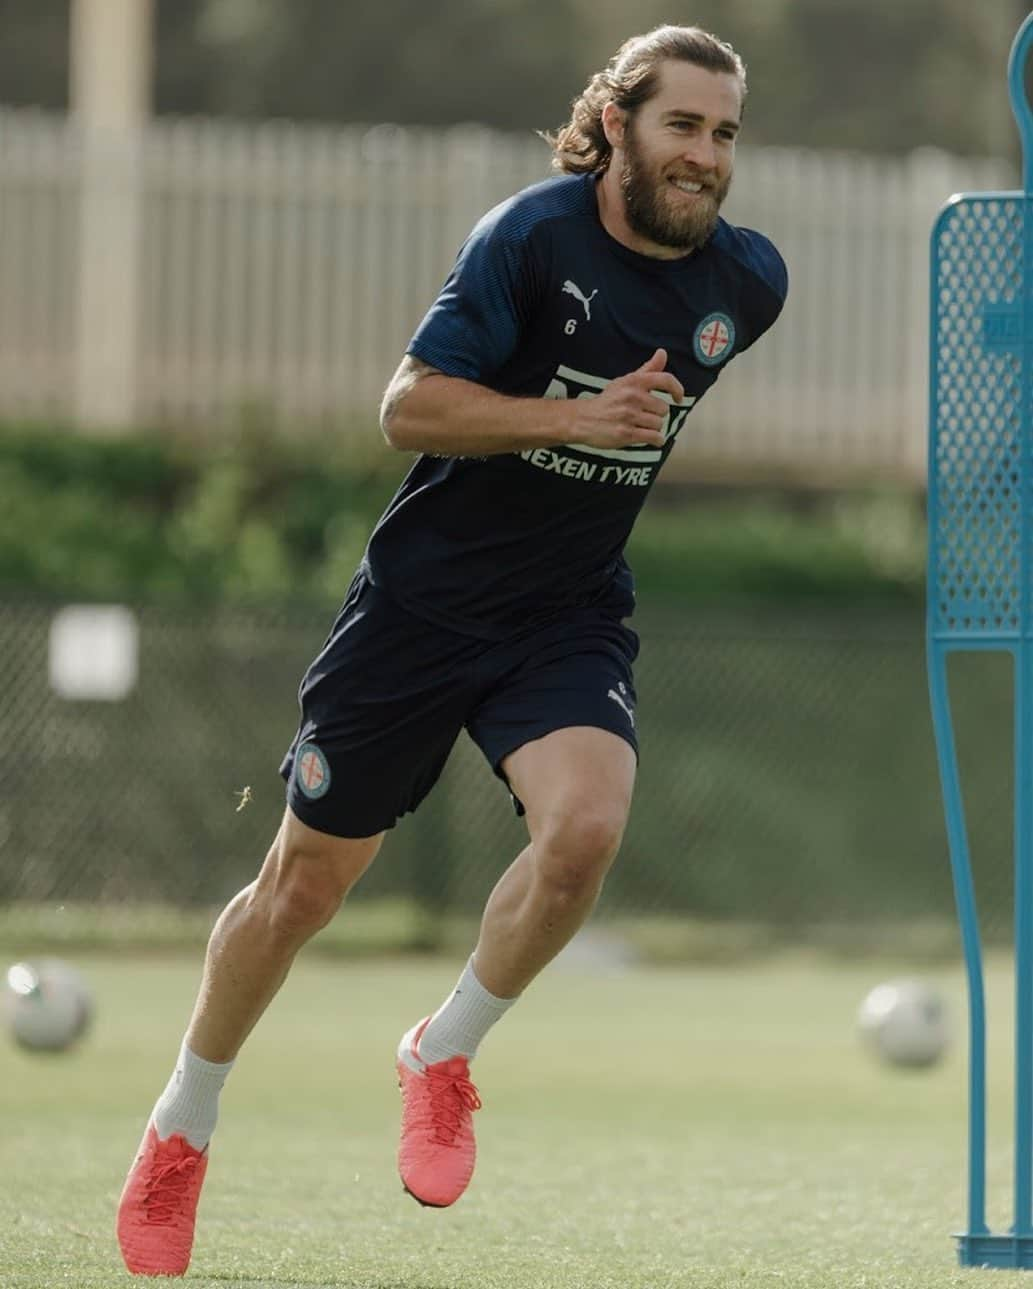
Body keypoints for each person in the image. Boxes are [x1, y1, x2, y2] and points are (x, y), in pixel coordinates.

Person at [116, 23, 787, 1277]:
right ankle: (180, 1125)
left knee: (584, 831)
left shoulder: (745, 286)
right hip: (417, 615)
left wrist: (596, 442)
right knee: (299, 891)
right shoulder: (530, 237)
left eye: (725, 132)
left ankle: (443, 1050)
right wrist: (570, 415)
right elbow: (406, 406)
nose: (706, 156)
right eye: (683, 125)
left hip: (566, 613)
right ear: (618, 124)